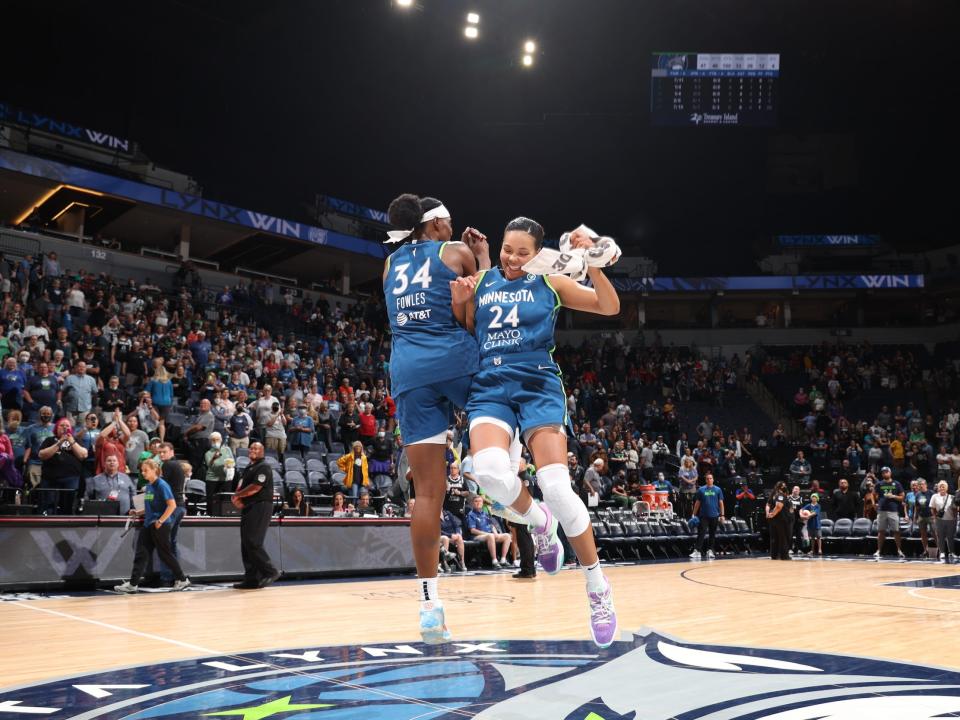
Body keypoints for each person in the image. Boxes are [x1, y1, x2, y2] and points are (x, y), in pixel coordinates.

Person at [452, 218, 620, 648]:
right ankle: (539, 521)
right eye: (508, 248)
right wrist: (461, 302)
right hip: (490, 384)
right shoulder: (485, 278)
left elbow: (608, 307)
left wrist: (594, 262)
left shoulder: (552, 280)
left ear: (538, 253)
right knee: (486, 471)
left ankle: (597, 587)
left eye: (521, 252)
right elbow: (472, 327)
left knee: (558, 488)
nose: (511, 257)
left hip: (538, 384)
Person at [382, 193, 490, 644]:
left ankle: (429, 606)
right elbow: (488, 304)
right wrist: (483, 255)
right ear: (438, 225)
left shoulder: (388, 266)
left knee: (427, 494)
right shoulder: (456, 252)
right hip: (456, 359)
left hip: (408, 370)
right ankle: (502, 488)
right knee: (500, 419)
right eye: (448, 222)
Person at [113, 458, 191, 593]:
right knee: (141, 554)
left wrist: (160, 521)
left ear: (155, 470)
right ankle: (133, 584)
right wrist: (137, 512)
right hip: (149, 524)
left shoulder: (162, 485)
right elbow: (149, 507)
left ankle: (182, 579)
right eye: (142, 471)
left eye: (146, 470)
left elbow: (172, 505)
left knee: (165, 554)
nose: (143, 473)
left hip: (160, 525)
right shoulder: (149, 487)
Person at [230, 442, 280, 589]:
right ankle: (251, 579)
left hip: (261, 506)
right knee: (246, 543)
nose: (252, 450)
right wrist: (240, 500)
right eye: (251, 448)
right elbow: (244, 487)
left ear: (262, 452)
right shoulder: (249, 467)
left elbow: (256, 487)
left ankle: (271, 571)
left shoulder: (263, 466)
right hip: (249, 506)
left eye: (256, 448)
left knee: (253, 541)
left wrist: (238, 495)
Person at [38, 418, 87, 514]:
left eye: (67, 426)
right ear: (56, 428)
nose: (65, 427)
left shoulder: (76, 440)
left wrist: (71, 441)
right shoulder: (50, 440)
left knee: (68, 505)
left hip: (71, 478)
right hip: (50, 479)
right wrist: (59, 442)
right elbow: (42, 455)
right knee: (49, 505)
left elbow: (83, 455)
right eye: (62, 425)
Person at [466, 494, 512, 567]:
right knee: (490, 536)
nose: (478, 503)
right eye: (476, 501)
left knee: (507, 536)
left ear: (482, 503)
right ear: (472, 503)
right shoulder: (471, 514)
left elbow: (491, 525)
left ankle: (503, 559)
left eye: (480, 501)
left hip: (490, 535)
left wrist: (496, 533)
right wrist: (486, 534)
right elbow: (472, 530)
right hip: (476, 536)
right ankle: (494, 560)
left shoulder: (485, 514)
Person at [690, 472, 725, 559]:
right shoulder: (701, 490)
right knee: (701, 533)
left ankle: (710, 551)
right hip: (703, 516)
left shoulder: (718, 490)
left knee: (712, 534)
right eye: (707, 478)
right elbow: (697, 503)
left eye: (710, 478)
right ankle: (697, 551)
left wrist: (722, 515)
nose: (709, 480)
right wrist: (693, 514)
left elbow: (721, 503)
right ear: (706, 480)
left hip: (715, 515)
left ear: (713, 479)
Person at [873, 466, 906, 560]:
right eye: (883, 472)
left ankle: (899, 550)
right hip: (882, 510)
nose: (885, 474)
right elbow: (874, 494)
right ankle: (878, 550)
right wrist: (874, 503)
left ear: (890, 473)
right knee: (881, 531)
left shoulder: (897, 484)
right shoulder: (879, 484)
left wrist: (893, 496)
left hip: (893, 510)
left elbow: (902, 497)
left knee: (896, 531)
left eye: (886, 472)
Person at [931, 481, 956, 563]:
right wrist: (935, 517)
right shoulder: (935, 496)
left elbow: (955, 509)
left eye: (943, 486)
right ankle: (942, 552)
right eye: (940, 486)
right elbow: (932, 508)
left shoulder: (952, 497)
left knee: (950, 537)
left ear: (947, 488)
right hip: (939, 520)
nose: (942, 488)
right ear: (938, 488)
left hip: (950, 519)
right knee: (940, 537)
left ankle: (951, 552)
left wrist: (955, 518)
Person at [766, 481, 791, 560]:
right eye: (784, 486)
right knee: (783, 538)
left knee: (774, 538)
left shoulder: (774, 495)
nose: (785, 487)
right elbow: (779, 506)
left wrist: (769, 514)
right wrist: (772, 514)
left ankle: (774, 555)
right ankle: (784, 556)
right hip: (781, 520)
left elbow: (769, 505)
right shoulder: (780, 495)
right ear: (780, 487)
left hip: (774, 520)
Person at [913, 478, 934, 559]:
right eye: (919, 484)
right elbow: (916, 506)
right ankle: (926, 550)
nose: (920, 486)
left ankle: (940, 550)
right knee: (923, 534)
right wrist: (915, 517)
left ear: (926, 485)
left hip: (930, 516)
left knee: (934, 533)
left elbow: (934, 505)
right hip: (921, 516)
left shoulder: (931, 493)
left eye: (922, 484)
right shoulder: (918, 494)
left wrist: (934, 515)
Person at [440, 507, 466, 571]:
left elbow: (456, 525)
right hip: (441, 536)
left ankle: (461, 561)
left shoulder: (447, 513)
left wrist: (457, 533)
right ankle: (444, 563)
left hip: (453, 536)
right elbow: (438, 531)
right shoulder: (432, 516)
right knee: (445, 539)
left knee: (459, 538)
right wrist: (450, 535)